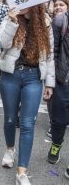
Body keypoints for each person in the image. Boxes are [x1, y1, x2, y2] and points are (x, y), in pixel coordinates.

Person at [0, 5, 54, 185]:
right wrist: (13, 22)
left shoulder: (45, 22)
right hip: (10, 75)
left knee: (28, 124)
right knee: (10, 119)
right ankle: (10, 149)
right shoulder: (10, 17)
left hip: (33, 77)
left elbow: (50, 55)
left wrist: (50, 83)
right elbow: (1, 44)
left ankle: (22, 172)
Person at [46, 10, 69, 177]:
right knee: (59, 120)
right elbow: (52, 52)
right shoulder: (60, 21)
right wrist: (51, 81)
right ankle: (56, 143)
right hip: (63, 79)